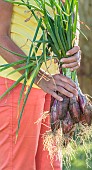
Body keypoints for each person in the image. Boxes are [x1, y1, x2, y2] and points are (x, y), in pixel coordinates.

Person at [0, 0, 81, 170]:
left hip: (54, 84)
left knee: (50, 165)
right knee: (19, 164)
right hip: (18, 82)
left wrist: (74, 51)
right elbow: (1, 37)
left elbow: (69, 18)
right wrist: (40, 78)